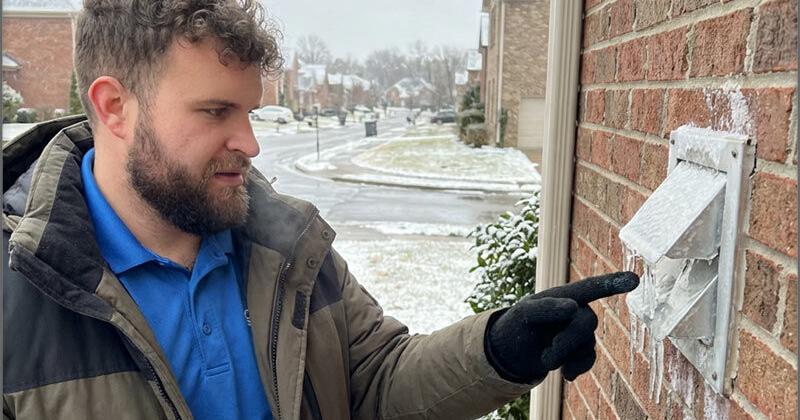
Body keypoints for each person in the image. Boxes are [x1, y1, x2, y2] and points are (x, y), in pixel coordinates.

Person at [2, 1, 639, 419]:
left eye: (250, 111)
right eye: (216, 111)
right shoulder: (18, 294)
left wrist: (495, 351)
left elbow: (379, 379)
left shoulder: (288, 248)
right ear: (114, 107)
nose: (250, 144)